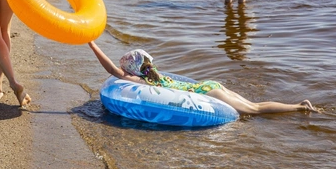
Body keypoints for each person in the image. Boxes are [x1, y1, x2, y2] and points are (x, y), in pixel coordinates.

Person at [88, 41, 317, 115]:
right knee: (253, 106)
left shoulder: (142, 82)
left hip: (206, 95)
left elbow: (111, 71)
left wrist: (90, 42)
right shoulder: (154, 75)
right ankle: (298, 106)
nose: (123, 73)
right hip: (209, 86)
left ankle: (298, 107)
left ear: (132, 71)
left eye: (126, 70)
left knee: (254, 111)